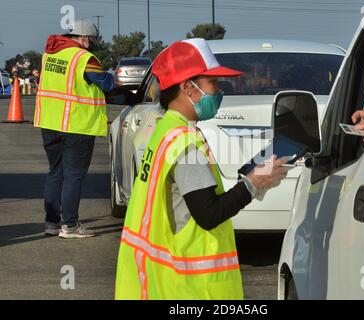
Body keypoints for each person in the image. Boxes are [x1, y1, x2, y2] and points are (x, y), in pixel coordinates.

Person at [115, 38, 291, 300]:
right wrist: (255, 182)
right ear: (188, 87)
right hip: (188, 287)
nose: (220, 91)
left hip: (159, 279)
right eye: (213, 83)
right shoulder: (185, 144)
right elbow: (208, 214)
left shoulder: (166, 130)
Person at [34, 20, 114, 238]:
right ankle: (70, 226)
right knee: (73, 176)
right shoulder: (83, 58)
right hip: (76, 124)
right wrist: (112, 77)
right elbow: (106, 83)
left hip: (50, 122)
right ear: (84, 38)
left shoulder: (49, 55)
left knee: (55, 173)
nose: (94, 44)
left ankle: (51, 223)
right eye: (93, 40)